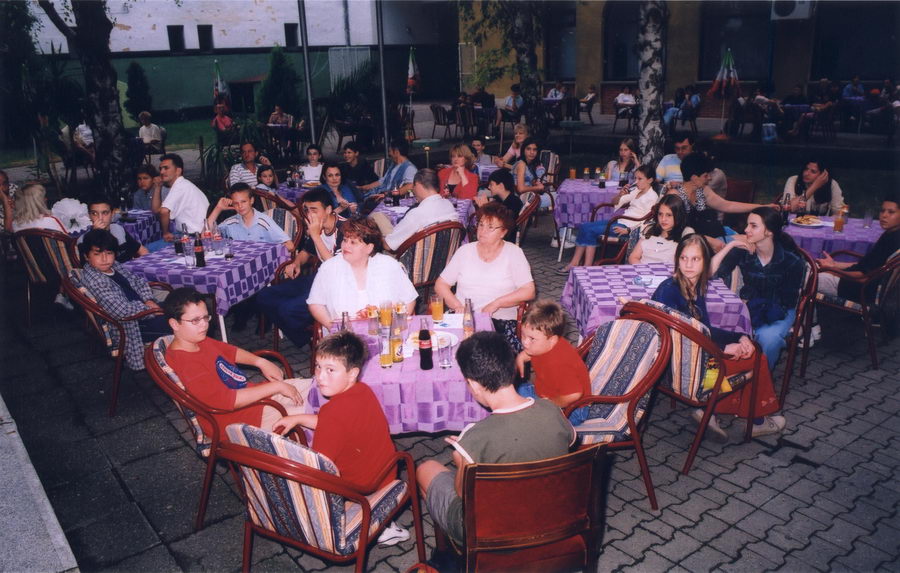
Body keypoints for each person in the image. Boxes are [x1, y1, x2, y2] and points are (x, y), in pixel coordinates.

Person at [415, 331, 575, 546]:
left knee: (425, 469)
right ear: (512, 369)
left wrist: (461, 460)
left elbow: (462, 494)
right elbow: (568, 443)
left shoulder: (476, 437)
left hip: (491, 531)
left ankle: (453, 552)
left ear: (474, 385)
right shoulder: (552, 410)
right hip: (551, 516)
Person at [272, 331, 410, 545]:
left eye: (330, 370)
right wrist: (297, 418)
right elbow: (338, 426)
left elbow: (320, 468)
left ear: (352, 373)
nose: (320, 376)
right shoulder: (363, 390)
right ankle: (383, 523)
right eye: (318, 366)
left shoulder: (334, 413)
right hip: (384, 471)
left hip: (363, 486)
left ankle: (373, 523)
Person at [652, 234, 786, 440]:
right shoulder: (669, 291)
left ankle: (709, 411)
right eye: (683, 258)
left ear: (705, 263)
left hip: (695, 360)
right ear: (677, 260)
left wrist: (740, 337)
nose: (688, 265)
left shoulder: (693, 286)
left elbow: (704, 331)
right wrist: (722, 349)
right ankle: (754, 421)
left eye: (695, 259)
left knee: (748, 350)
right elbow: (679, 337)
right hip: (686, 370)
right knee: (756, 360)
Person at [163, 287, 311, 435]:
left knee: (317, 388)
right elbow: (226, 401)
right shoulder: (187, 365)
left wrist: (260, 362)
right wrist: (276, 387)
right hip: (238, 421)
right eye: (195, 320)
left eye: (206, 317)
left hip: (254, 401)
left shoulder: (197, 340)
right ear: (174, 324)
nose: (204, 324)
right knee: (314, 413)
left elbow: (230, 352)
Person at [711, 207, 805, 372]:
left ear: (769, 231)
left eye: (753, 226)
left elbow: (788, 301)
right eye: (748, 224)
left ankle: (760, 378)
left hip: (778, 311)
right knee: (716, 325)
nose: (746, 230)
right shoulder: (744, 252)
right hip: (748, 307)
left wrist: (750, 304)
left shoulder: (792, 261)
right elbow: (710, 274)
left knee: (768, 338)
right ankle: (732, 374)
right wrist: (730, 245)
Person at [435, 202, 535, 350]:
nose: (482, 231)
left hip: (499, 320)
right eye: (481, 225)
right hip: (462, 317)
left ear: (503, 232)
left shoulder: (514, 253)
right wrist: (457, 306)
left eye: (490, 227)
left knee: (483, 354)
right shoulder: (465, 251)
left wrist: (497, 303)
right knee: (442, 347)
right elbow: (441, 284)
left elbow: (529, 291)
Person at [256, 188, 346, 349]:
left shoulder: (345, 229)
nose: (309, 215)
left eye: (314, 210)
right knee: (264, 296)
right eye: (307, 210)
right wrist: (296, 262)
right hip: (318, 278)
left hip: (338, 285)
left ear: (328, 209)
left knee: (288, 310)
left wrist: (315, 235)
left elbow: (335, 267)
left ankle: (315, 337)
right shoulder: (317, 226)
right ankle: (308, 338)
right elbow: (306, 251)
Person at [79, 229, 170, 370]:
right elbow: (122, 311)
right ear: (86, 256)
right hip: (132, 327)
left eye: (109, 253)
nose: (104, 259)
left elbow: (138, 282)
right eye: (97, 254)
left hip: (146, 312)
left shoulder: (114, 266)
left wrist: (148, 300)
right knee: (184, 319)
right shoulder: (95, 280)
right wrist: (151, 309)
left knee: (186, 301)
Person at [307, 218, 417, 327]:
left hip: (386, 331)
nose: (346, 246)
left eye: (353, 242)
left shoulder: (389, 265)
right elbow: (315, 303)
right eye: (345, 240)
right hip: (344, 334)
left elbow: (409, 299)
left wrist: (397, 326)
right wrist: (331, 326)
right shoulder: (330, 267)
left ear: (369, 248)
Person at [561, 164, 659, 272]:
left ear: (650, 180)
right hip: (621, 221)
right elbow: (614, 202)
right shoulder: (637, 190)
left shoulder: (652, 197)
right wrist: (620, 194)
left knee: (590, 231)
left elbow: (648, 221)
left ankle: (587, 267)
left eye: (640, 179)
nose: (636, 181)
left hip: (627, 228)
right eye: (635, 178)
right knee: (584, 226)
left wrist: (629, 230)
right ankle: (575, 263)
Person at [666, 152, 774, 250]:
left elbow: (727, 205)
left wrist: (762, 206)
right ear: (694, 178)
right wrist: (711, 241)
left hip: (713, 234)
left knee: (757, 240)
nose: (709, 178)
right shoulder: (675, 195)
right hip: (695, 242)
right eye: (706, 175)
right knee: (749, 244)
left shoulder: (702, 191)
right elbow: (675, 229)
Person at [515, 300, 592, 426]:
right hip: (545, 392)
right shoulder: (543, 345)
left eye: (532, 339)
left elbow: (574, 395)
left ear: (552, 340)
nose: (525, 342)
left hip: (572, 410)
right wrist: (522, 357)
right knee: (510, 392)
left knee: (516, 409)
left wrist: (550, 403)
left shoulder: (558, 363)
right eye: (524, 335)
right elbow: (531, 352)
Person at [817, 196, 900, 302]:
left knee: (805, 275)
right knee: (809, 266)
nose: (884, 215)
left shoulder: (893, 241)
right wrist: (835, 264)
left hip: (857, 289)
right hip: (854, 281)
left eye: (891, 212)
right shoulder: (890, 234)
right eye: (882, 211)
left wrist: (832, 271)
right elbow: (866, 265)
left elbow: (864, 277)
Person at [370, 169, 457, 252]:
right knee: (380, 217)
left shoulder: (417, 214)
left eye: (413, 186)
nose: (413, 190)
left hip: (409, 259)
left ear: (418, 185)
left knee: (376, 217)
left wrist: (376, 236)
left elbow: (388, 246)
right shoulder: (449, 205)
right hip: (443, 255)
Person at [208, 183, 293, 250]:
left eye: (243, 201)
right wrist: (218, 208)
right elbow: (206, 236)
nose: (240, 206)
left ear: (251, 200)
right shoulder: (231, 222)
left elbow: (290, 245)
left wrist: (266, 252)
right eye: (236, 203)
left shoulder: (263, 221)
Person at [157, 153, 210, 244]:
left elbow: (164, 211)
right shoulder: (183, 184)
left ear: (178, 171)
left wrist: (165, 233)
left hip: (193, 237)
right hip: (194, 233)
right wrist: (157, 186)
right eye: (160, 169)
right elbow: (157, 210)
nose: (161, 172)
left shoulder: (180, 186)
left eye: (166, 168)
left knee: (147, 248)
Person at [77, 196, 148, 262]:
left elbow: (141, 250)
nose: (100, 218)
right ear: (89, 216)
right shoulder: (83, 240)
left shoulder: (118, 229)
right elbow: (89, 267)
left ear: (112, 213)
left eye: (105, 213)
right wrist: (96, 235)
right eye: (94, 213)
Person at [628, 195, 694, 265]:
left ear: (678, 215)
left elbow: (686, 263)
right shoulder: (649, 229)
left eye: (668, 215)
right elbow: (633, 257)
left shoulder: (686, 233)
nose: (663, 219)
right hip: (642, 269)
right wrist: (644, 270)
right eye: (660, 214)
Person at [474, 168, 522, 243]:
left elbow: (503, 223)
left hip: (504, 238)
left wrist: (485, 208)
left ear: (501, 185)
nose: (489, 187)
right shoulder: (500, 200)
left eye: (491, 184)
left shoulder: (514, 202)